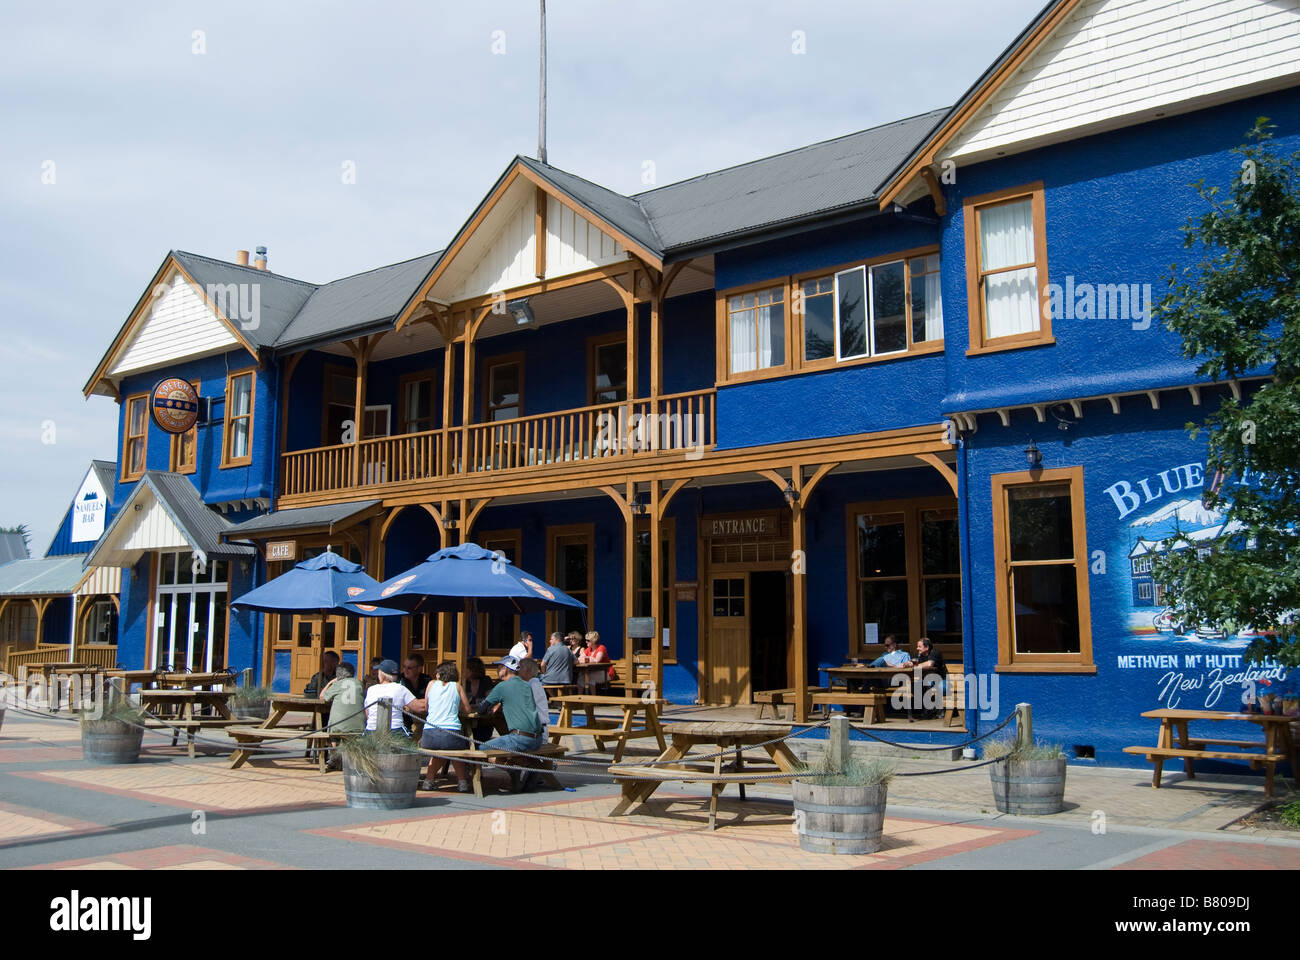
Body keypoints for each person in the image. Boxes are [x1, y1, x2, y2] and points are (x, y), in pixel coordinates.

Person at [479, 655, 545, 792]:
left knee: (481, 749)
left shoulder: (502, 686)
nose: (497, 670)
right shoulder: (526, 685)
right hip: (538, 739)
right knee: (509, 746)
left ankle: (514, 771)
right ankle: (527, 766)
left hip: (520, 738)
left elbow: (481, 709)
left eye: (499, 667)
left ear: (505, 669)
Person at [419, 661, 474, 793]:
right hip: (451, 732)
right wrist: (457, 706)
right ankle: (462, 782)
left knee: (441, 750)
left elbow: (427, 707)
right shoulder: (457, 686)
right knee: (456, 751)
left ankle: (429, 780)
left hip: (429, 734)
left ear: (439, 674)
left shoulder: (431, 684)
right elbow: (467, 709)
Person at [319, 661, 364, 771]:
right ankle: (348, 759)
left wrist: (330, 683)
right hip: (359, 726)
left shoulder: (338, 684)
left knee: (334, 728)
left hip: (339, 727)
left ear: (338, 675)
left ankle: (335, 758)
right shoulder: (359, 683)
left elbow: (322, 696)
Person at [363, 659, 415, 735]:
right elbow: (419, 707)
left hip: (371, 732)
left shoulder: (371, 689)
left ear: (382, 674)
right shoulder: (400, 688)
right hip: (395, 732)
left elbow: (367, 714)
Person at [905, 637, 947, 718]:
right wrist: (905, 664)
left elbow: (929, 664)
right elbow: (912, 662)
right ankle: (930, 710)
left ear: (927, 647)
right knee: (916, 686)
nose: (917, 648)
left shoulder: (935, 652)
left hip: (943, 681)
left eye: (919, 647)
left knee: (929, 684)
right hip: (929, 681)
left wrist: (915, 665)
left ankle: (934, 710)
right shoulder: (920, 655)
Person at [463, 657, 496, 745]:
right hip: (466, 719)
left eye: (466, 668)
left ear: (473, 670)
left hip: (483, 720)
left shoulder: (486, 681)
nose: (463, 671)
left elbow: (490, 699)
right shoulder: (463, 683)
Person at [517, 657, 551, 741]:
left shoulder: (532, 685)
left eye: (519, 668)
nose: (517, 671)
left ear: (527, 670)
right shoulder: (533, 683)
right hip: (535, 730)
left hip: (537, 733)